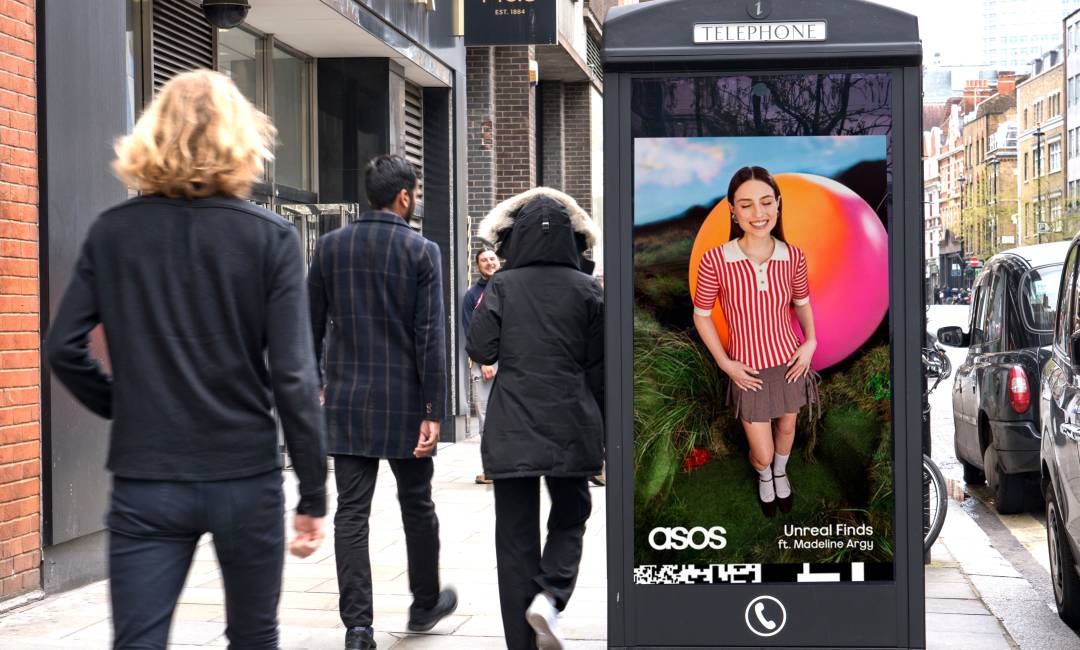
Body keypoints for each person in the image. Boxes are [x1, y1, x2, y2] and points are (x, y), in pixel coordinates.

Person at [44, 69, 327, 650]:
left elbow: (64, 348)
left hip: (147, 476)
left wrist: (125, 404)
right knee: (254, 636)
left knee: (139, 640)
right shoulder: (270, 238)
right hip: (244, 476)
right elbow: (295, 377)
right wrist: (314, 493)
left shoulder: (113, 233)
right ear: (240, 138)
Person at [308, 154, 456, 650]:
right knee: (417, 504)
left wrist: (316, 381)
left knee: (351, 512)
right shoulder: (422, 251)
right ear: (404, 196)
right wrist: (434, 411)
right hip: (407, 406)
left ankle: (358, 628)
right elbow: (429, 336)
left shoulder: (329, 248)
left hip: (347, 401)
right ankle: (424, 601)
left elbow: (306, 327)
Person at [467, 187, 604, 650]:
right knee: (572, 514)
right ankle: (551, 594)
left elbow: (479, 349)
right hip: (572, 421)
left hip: (512, 427)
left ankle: (520, 645)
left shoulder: (502, 286)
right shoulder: (589, 289)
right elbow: (598, 364)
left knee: (514, 538)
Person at [691, 166, 818, 516]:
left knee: (788, 427)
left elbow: (802, 304)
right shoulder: (715, 260)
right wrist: (724, 363)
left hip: (789, 362)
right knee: (760, 451)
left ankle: (780, 472)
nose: (758, 214)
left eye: (765, 202)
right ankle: (765, 472)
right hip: (746, 370)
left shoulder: (793, 256)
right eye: (746, 205)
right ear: (732, 210)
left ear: (778, 203)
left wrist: (810, 343)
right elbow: (701, 315)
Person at [462, 248, 501, 484]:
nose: (489, 262)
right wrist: (484, 361)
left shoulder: (510, 287)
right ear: (478, 266)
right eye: (484, 260)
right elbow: (470, 332)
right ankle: (490, 469)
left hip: (510, 362)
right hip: (485, 364)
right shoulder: (471, 296)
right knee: (486, 417)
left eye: (492, 258)